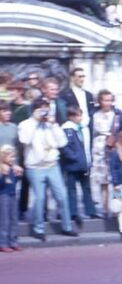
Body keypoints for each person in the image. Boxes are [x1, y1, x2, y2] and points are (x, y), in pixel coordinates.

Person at [18, 99, 77, 240]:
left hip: (52, 165)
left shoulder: (51, 125)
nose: (44, 113)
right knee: (40, 198)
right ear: (34, 111)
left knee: (62, 196)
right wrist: (35, 121)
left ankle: (67, 227)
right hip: (35, 167)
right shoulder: (25, 124)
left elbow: (62, 142)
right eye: (41, 110)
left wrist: (54, 125)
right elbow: (25, 140)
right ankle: (38, 229)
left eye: (46, 110)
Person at [91, 89, 122, 217]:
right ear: (100, 101)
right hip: (99, 149)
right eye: (105, 100)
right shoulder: (94, 114)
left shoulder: (118, 114)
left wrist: (119, 139)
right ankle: (105, 209)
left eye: (110, 100)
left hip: (115, 148)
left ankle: (119, 207)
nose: (108, 103)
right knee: (103, 181)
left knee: (118, 180)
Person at [60, 106, 96, 224]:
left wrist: (88, 160)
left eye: (80, 115)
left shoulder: (83, 128)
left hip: (84, 163)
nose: (79, 118)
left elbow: (87, 146)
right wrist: (74, 157)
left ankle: (91, 210)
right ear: (70, 117)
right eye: (77, 116)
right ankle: (73, 212)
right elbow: (65, 147)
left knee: (87, 188)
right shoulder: (67, 129)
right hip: (72, 165)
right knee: (71, 189)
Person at [0, 145, 23, 252]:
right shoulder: (2, 168)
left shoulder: (12, 168)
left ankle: (13, 242)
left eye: (14, 157)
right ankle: (3, 243)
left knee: (14, 218)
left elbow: (14, 182)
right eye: (10, 157)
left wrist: (18, 175)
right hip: (3, 196)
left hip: (13, 194)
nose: (13, 159)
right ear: (3, 157)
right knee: (4, 220)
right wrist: (3, 175)